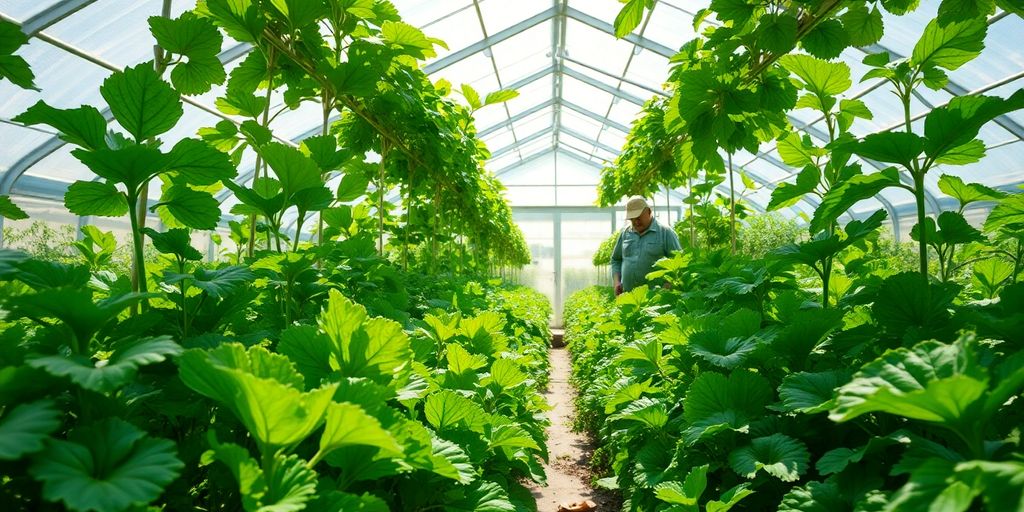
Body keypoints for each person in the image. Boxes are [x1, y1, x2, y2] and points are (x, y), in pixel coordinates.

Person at [611, 196, 682, 296]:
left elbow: (678, 261)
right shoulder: (625, 233)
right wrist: (616, 282)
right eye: (632, 219)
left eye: (639, 218)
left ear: (649, 212)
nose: (636, 222)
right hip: (629, 296)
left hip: (656, 298)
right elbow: (616, 260)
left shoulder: (665, 232)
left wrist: (668, 285)